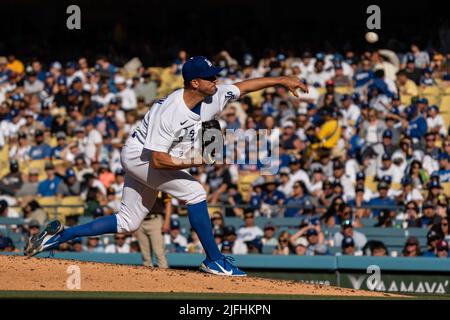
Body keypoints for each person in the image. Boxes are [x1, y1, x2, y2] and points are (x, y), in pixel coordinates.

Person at [25, 55, 307, 276]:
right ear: (194, 82)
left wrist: (282, 79)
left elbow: (243, 87)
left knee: (128, 222)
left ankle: (59, 236)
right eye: (209, 77)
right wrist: (198, 161)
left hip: (153, 156)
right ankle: (215, 260)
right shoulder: (171, 110)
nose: (215, 79)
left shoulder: (213, 95)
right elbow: (158, 159)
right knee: (195, 192)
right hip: (140, 156)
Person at [135, 192, 171, 268]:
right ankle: (147, 279)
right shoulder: (139, 184)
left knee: (159, 253)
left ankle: (165, 277)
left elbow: (168, 203)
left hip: (155, 219)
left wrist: (167, 221)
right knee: (145, 256)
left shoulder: (160, 184)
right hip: (140, 220)